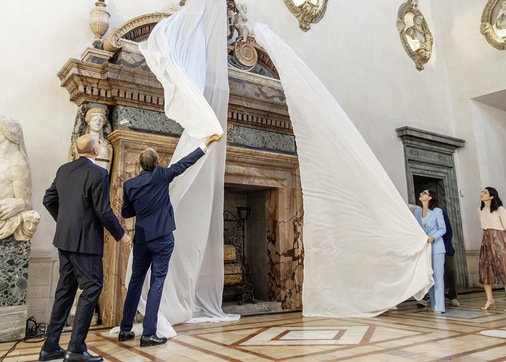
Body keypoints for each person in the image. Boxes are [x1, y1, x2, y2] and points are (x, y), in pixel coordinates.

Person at [118, 133, 223, 347]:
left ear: (140, 165)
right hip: (162, 239)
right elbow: (184, 163)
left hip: (142, 239)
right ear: (158, 163)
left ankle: (125, 329)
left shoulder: (130, 185)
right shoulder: (161, 175)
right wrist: (206, 144)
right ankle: (148, 334)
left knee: (136, 282)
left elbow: (127, 213)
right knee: (156, 284)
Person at [39, 134, 131, 362]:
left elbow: (48, 199)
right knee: (92, 288)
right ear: (95, 151)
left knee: (65, 290)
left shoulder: (63, 170)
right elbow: (103, 210)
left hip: (64, 240)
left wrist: (64, 222)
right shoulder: (98, 172)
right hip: (85, 242)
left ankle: (50, 347)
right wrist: (121, 234)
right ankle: (76, 348)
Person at [414, 190, 446, 314]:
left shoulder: (437, 211)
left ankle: (440, 306)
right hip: (424, 248)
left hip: (437, 247)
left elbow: (443, 229)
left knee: (438, 277)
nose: (421, 194)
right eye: (421, 192)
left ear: (430, 197)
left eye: (424, 193)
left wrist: (434, 237)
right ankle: (433, 303)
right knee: (429, 275)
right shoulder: (417, 212)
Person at [477, 187, 506, 311]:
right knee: (485, 270)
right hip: (486, 240)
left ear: (492, 196)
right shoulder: (480, 210)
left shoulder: (500, 209)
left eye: (485, 193)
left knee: (503, 269)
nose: (482, 194)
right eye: (482, 192)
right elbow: (484, 227)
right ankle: (490, 299)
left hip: (499, 239)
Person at [442, 209, 460, 307]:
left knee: (450, 271)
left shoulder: (441, 212)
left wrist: (446, 245)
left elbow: (448, 230)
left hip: (445, 246)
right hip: (428, 247)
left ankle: (452, 296)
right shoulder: (419, 212)